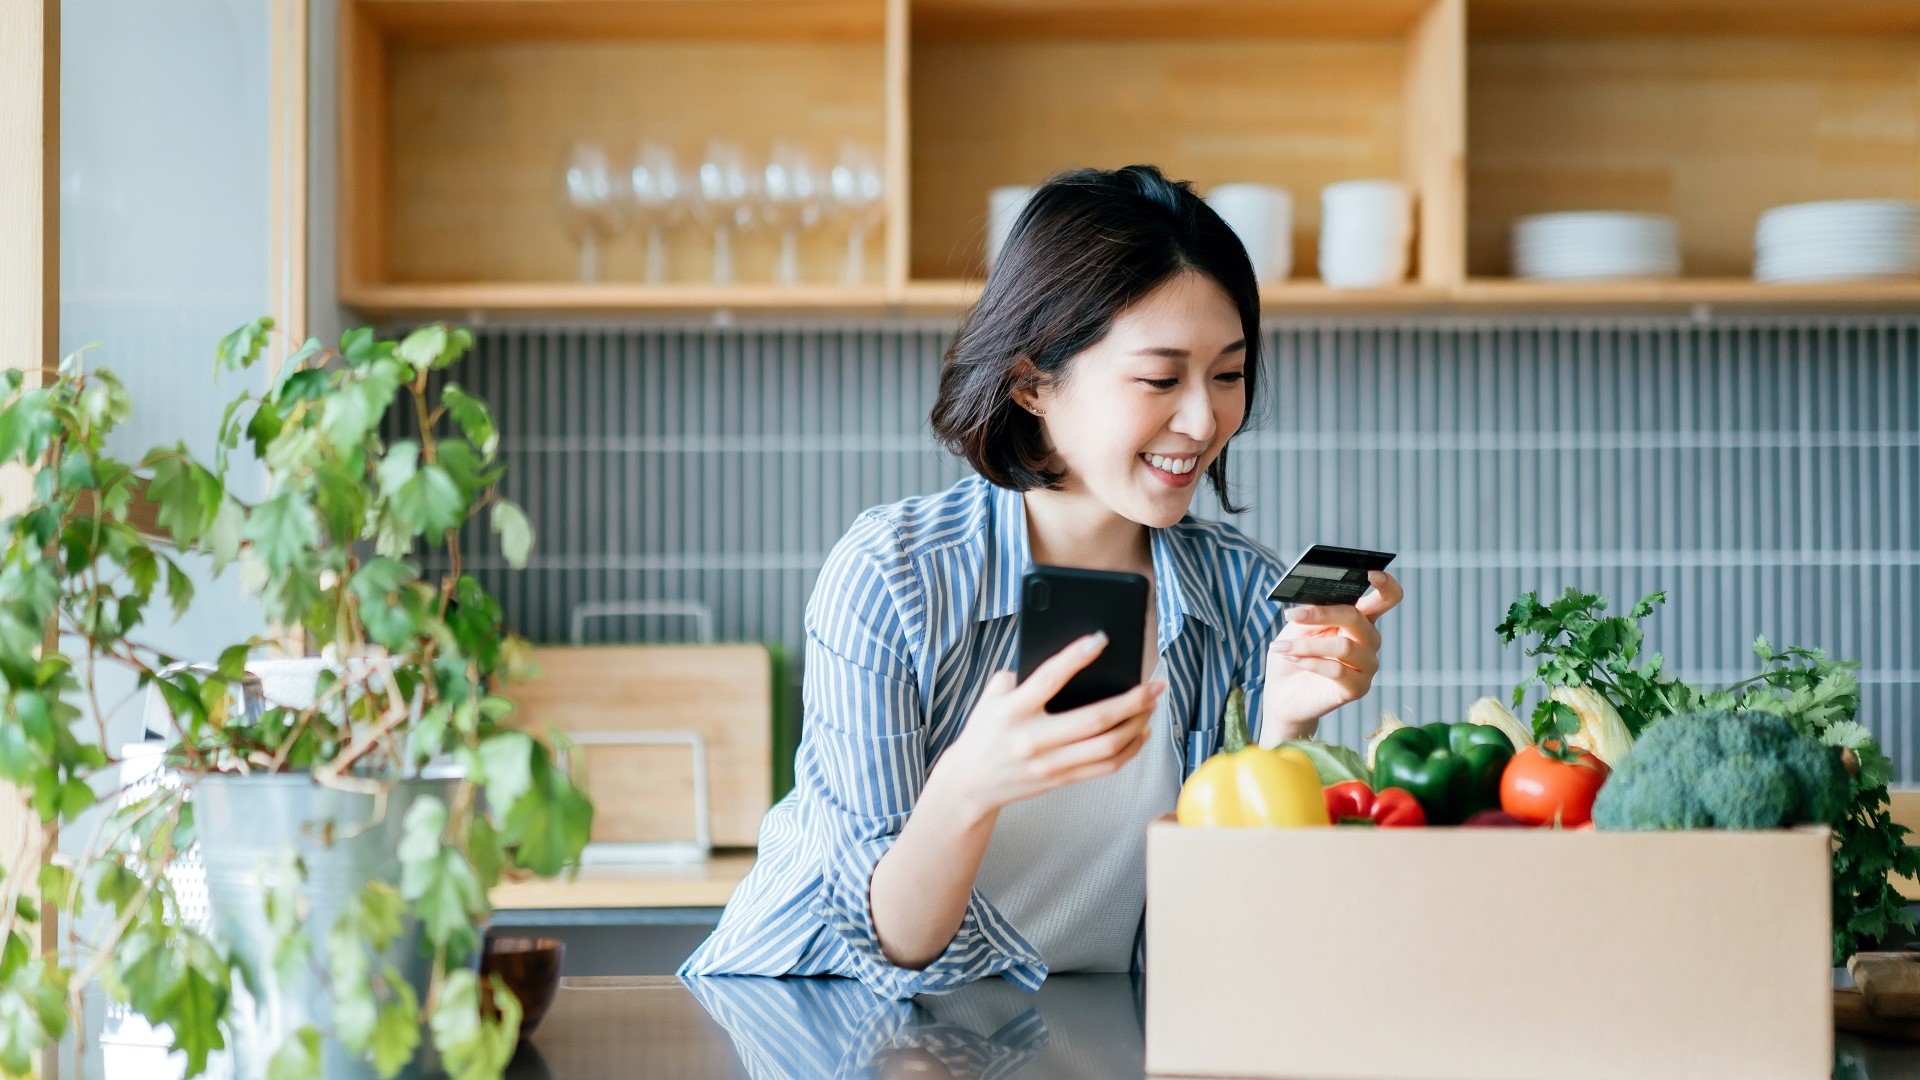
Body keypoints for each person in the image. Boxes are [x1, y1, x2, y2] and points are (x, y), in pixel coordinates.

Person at [680, 164, 1403, 998]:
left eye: (1229, 374)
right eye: (1161, 378)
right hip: (819, 1018)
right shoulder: (895, 578)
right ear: (1033, 383)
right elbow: (891, 945)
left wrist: (1283, 731)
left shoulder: (1244, 596)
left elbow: (1228, 935)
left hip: (1078, 1034)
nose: (1205, 420)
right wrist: (972, 782)